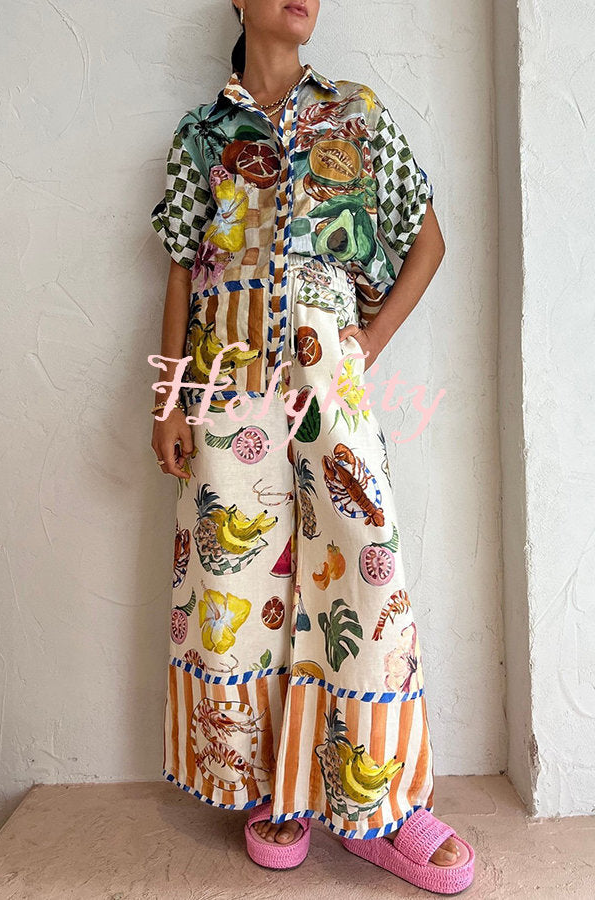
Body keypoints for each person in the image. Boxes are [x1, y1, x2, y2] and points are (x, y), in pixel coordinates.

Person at [149, 0, 475, 893]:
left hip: (330, 378)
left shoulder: (356, 114)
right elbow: (180, 267)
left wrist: (366, 345)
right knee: (236, 578)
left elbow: (429, 241)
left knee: (365, 562)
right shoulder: (202, 135)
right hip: (224, 381)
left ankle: (382, 805)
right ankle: (272, 784)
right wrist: (168, 402)